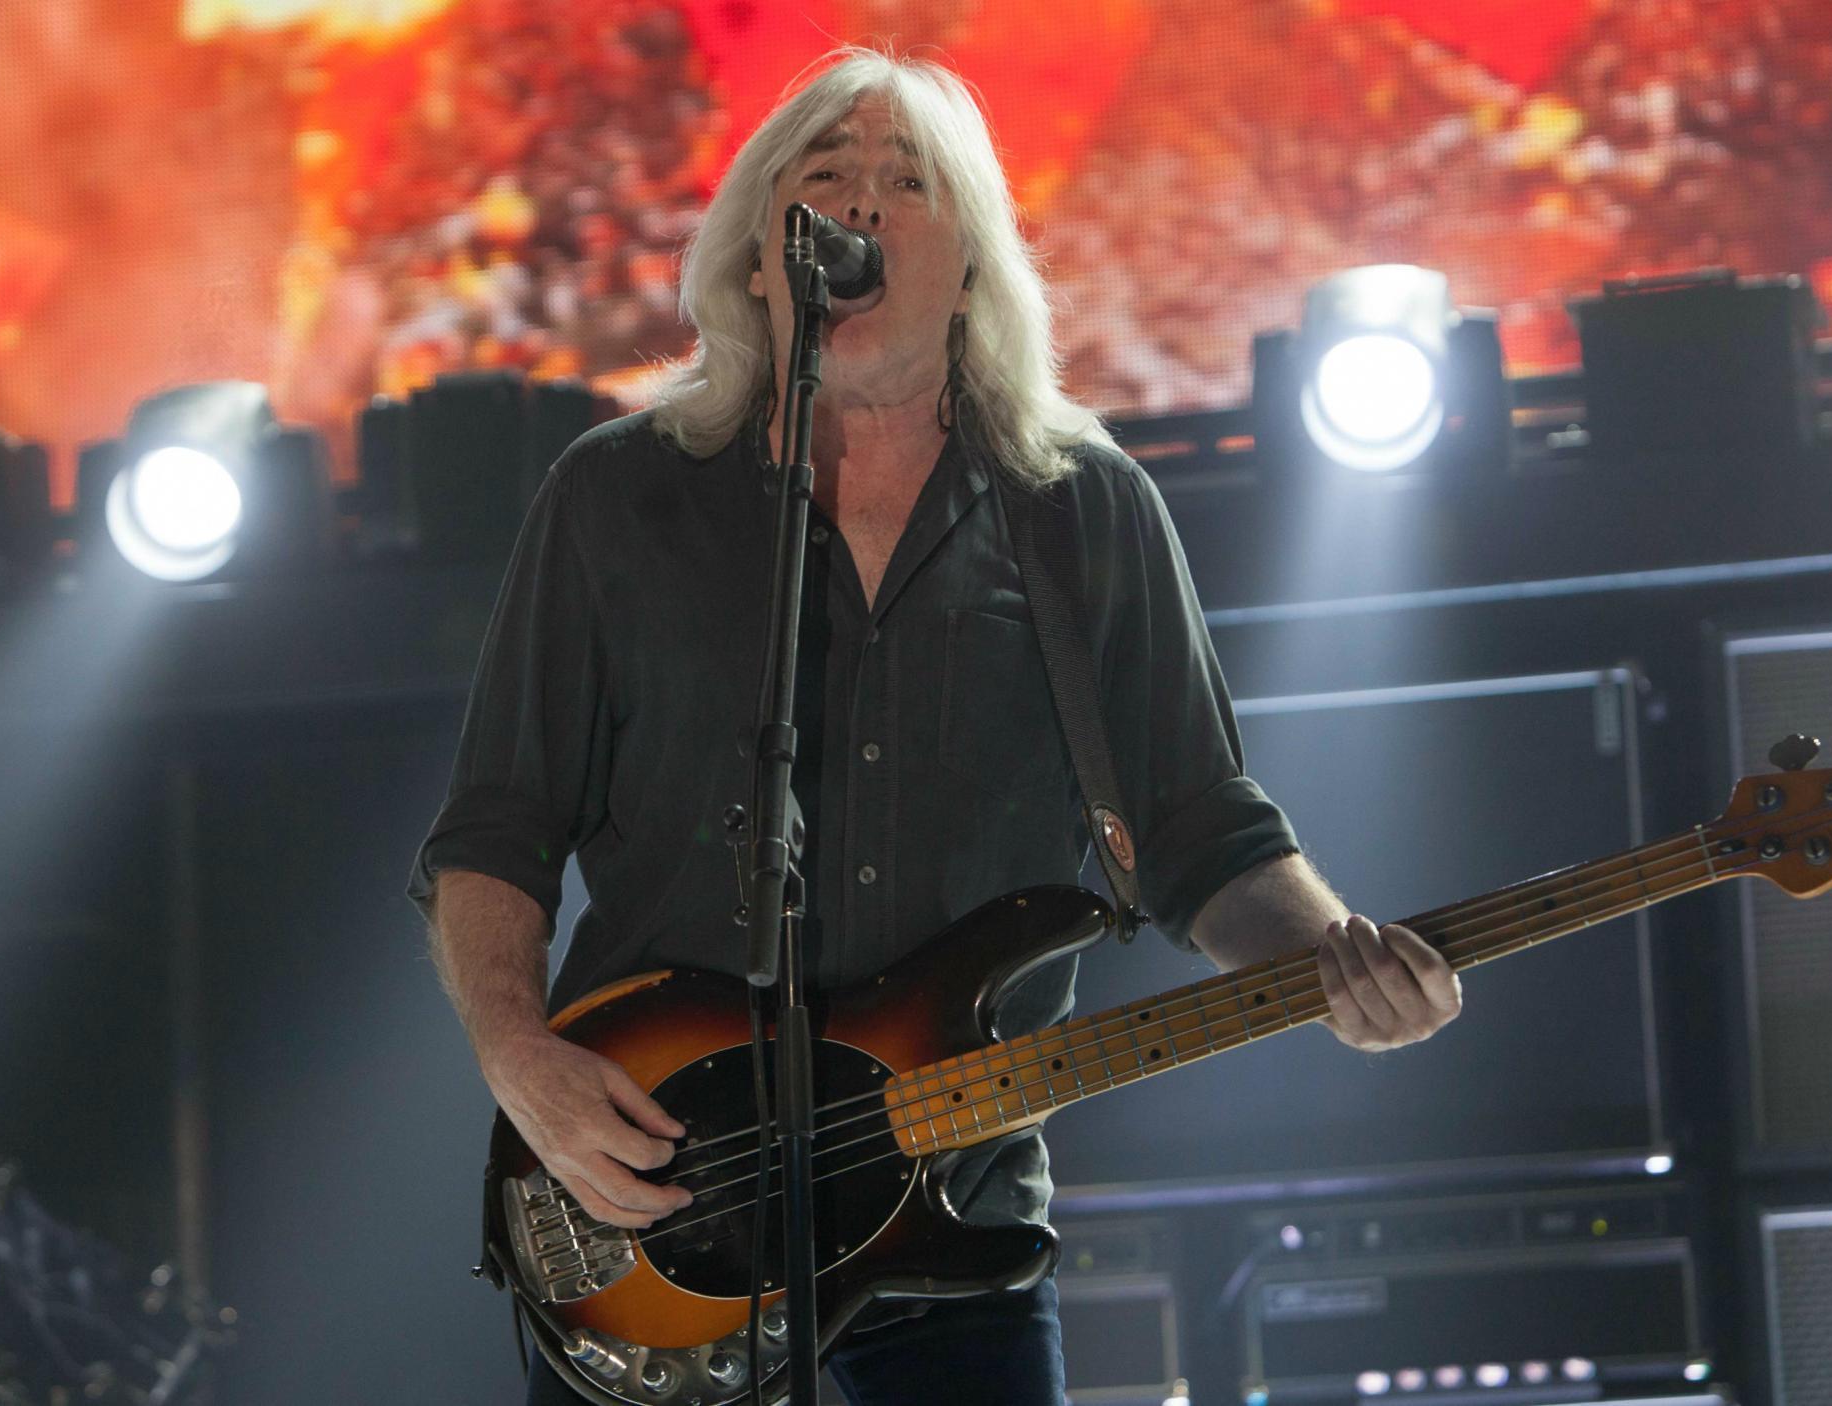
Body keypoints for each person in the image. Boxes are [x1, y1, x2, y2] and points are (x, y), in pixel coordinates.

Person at [407, 47, 1462, 1406]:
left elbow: (1200, 831)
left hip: (951, 1211)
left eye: (908, 182)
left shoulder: (1084, 509)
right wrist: (518, 1056)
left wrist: (1334, 957)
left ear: (971, 262)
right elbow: (495, 829)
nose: (860, 206)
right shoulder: (617, 499)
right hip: (664, 1213)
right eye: (824, 178)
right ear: (752, 254)